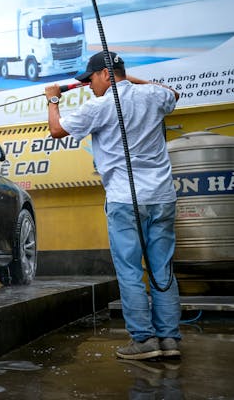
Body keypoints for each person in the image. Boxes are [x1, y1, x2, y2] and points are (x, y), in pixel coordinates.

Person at [45, 51, 181, 361]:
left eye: (90, 79)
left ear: (105, 75)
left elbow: (56, 129)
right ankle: (170, 341)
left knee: (130, 271)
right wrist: (127, 79)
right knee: (163, 270)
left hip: (124, 199)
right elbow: (172, 94)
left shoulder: (99, 105)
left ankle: (144, 341)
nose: (88, 86)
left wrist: (53, 100)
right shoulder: (152, 95)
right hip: (161, 198)